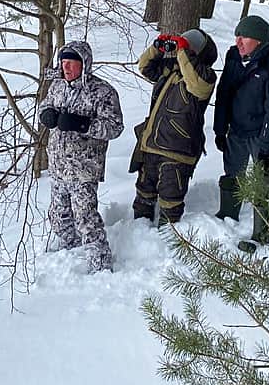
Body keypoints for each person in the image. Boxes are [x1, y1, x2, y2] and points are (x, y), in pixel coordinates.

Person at [39, 41, 124, 273]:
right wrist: (45, 114)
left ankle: (100, 264)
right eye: (63, 62)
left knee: (85, 217)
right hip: (57, 166)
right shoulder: (57, 86)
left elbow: (114, 127)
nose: (65, 67)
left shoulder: (102, 92)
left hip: (83, 169)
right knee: (58, 215)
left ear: (83, 64)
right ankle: (70, 249)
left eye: (71, 63)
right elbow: (44, 106)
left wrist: (82, 124)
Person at [213, 15, 269, 253]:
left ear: (259, 40)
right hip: (236, 129)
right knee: (233, 171)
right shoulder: (234, 57)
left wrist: (267, 145)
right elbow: (224, 94)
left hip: (261, 133)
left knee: (263, 182)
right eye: (236, 36)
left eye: (244, 37)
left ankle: (262, 233)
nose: (238, 41)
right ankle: (228, 212)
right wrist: (220, 128)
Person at [131, 28, 218, 225]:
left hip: (177, 152)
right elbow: (144, 67)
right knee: (144, 195)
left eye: (188, 46)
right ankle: (138, 234)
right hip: (151, 145)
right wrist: (157, 48)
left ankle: (167, 244)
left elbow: (197, 84)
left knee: (170, 202)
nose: (181, 49)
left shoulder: (206, 76)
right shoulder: (171, 70)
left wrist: (182, 51)